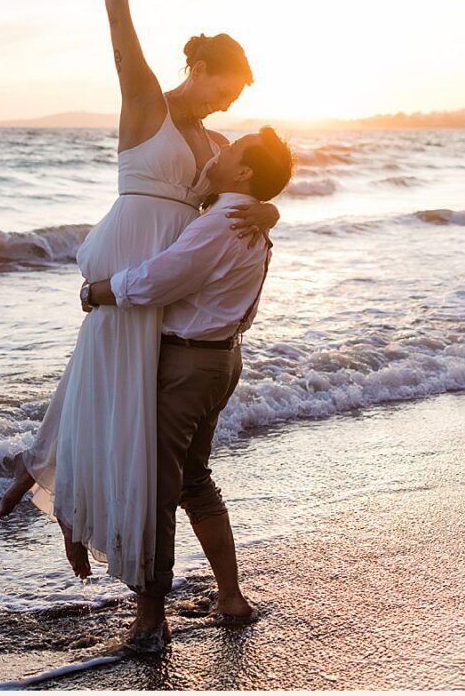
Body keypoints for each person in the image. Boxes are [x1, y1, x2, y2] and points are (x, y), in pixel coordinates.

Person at [0, 0, 279, 596]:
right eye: (225, 87)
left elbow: (236, 206)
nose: (224, 106)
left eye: (237, 97)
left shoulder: (218, 147)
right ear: (199, 64)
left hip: (165, 287)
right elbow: (118, 17)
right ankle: (63, 499)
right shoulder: (145, 102)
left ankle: (68, 501)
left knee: (123, 419)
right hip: (130, 267)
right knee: (99, 391)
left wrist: (267, 207)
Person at [82, 125, 294, 651]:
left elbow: (159, 278)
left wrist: (99, 291)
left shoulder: (224, 223)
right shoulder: (247, 220)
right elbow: (186, 192)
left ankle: (150, 622)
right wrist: (273, 208)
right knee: (195, 478)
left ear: (244, 171)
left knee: (157, 488)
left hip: (187, 364)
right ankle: (230, 596)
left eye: (232, 151)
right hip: (222, 358)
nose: (218, 152)